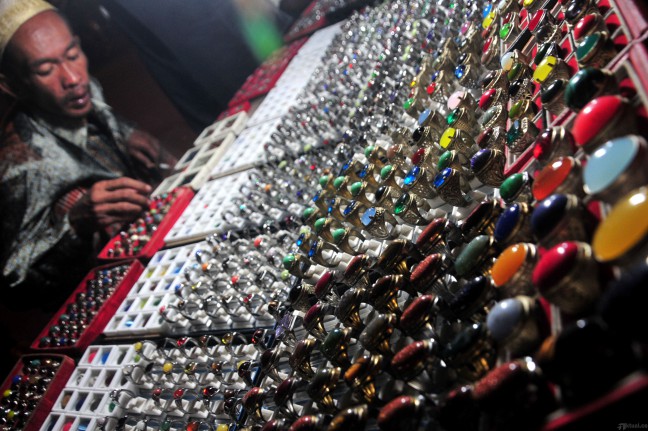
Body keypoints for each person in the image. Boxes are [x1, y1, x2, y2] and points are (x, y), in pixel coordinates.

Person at [0, 0, 175, 369]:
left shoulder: (80, 90)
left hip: (149, 251)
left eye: (73, 54)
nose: (72, 77)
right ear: (12, 85)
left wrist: (128, 135)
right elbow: (15, 284)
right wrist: (75, 222)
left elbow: (101, 118)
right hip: (106, 310)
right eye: (45, 69)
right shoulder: (19, 162)